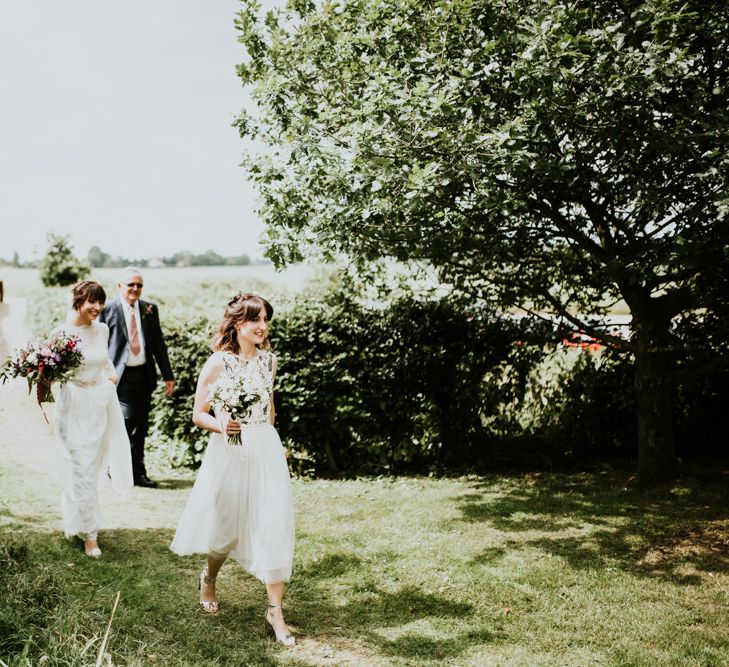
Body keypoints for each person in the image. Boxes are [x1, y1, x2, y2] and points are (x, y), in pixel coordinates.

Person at [170, 293, 295, 646]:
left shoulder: (269, 361)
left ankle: (275, 610)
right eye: (256, 319)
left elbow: (270, 407)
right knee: (226, 528)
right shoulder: (217, 364)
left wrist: (271, 440)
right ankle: (209, 577)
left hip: (265, 448)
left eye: (266, 319)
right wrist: (224, 425)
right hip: (230, 452)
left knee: (274, 523)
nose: (263, 326)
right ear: (238, 324)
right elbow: (198, 414)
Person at [52, 280, 134, 557]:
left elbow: (106, 363)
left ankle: (81, 522)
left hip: (97, 405)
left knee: (92, 466)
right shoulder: (61, 334)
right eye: (91, 302)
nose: (97, 307)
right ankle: (90, 534)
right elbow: (51, 375)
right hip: (71, 406)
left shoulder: (102, 329)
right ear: (77, 301)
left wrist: (109, 381)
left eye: (100, 302)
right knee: (77, 466)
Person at [99, 267, 175, 487]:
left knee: (141, 425)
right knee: (126, 419)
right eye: (130, 284)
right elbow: (101, 344)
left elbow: (158, 344)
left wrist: (168, 375)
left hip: (144, 374)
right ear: (120, 286)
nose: (135, 289)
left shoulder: (150, 309)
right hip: (119, 376)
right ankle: (117, 466)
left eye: (139, 285)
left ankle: (138, 473)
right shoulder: (108, 309)